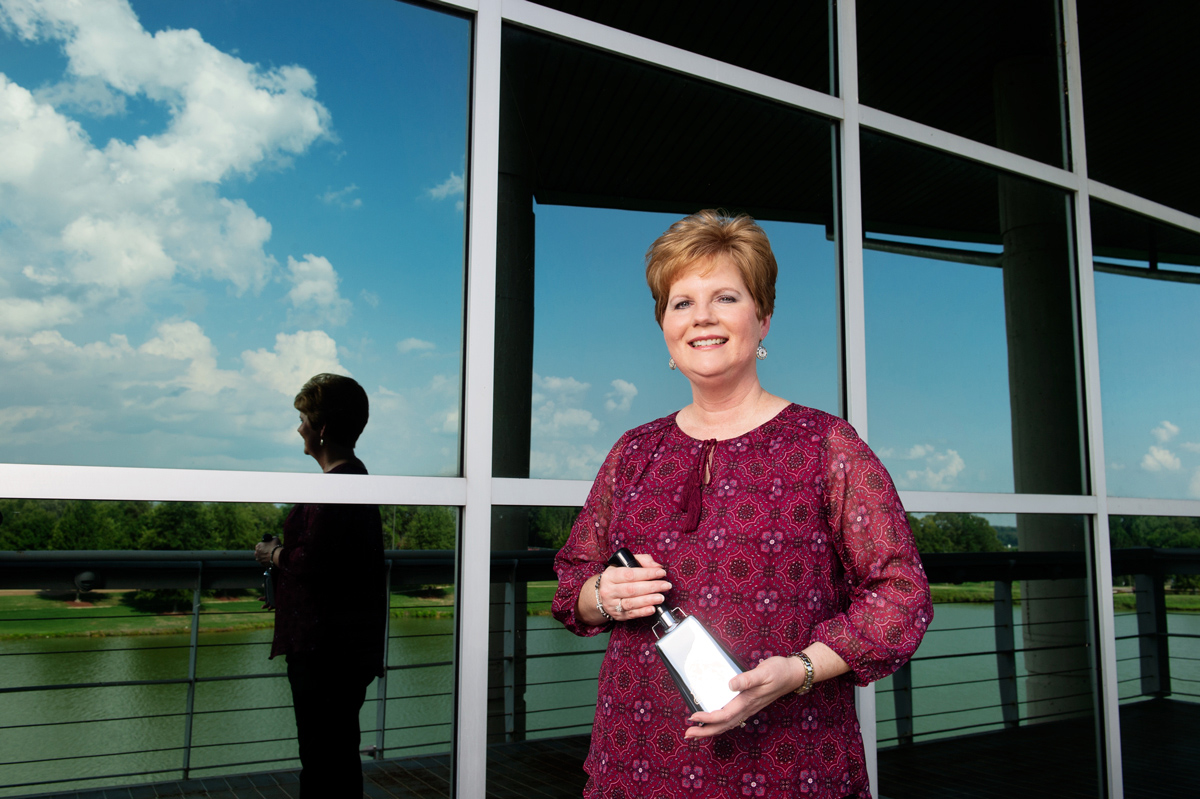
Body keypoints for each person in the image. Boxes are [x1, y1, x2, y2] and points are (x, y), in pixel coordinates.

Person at [552, 210, 933, 798]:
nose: (701, 316)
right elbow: (571, 581)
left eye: (724, 297)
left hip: (788, 764)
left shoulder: (825, 445)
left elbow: (901, 595)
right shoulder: (633, 451)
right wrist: (600, 594)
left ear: (763, 319)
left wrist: (800, 670)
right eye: (681, 303)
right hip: (635, 763)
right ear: (664, 331)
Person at [254, 373, 385, 798]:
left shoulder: (341, 486)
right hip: (339, 649)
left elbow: (316, 560)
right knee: (334, 753)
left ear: (322, 427)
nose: (299, 428)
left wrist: (272, 555)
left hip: (326, 651)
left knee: (324, 758)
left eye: (303, 418)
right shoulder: (350, 480)